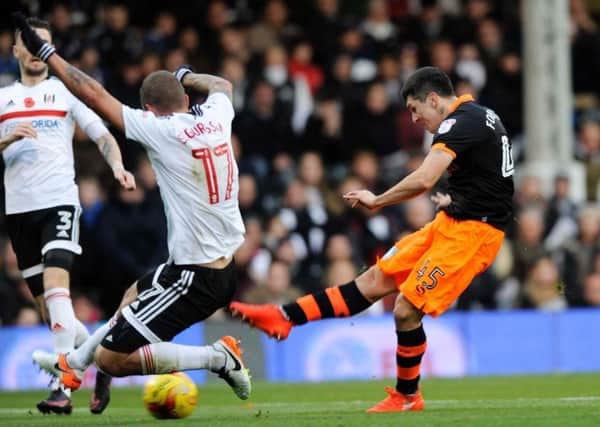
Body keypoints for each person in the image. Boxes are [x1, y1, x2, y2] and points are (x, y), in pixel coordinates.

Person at [230, 66, 514, 413]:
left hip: (473, 234)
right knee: (374, 279)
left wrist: (377, 200)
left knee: (405, 309)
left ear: (434, 99)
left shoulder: (457, 122)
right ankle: (284, 316)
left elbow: (424, 179)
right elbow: (491, 179)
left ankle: (408, 396)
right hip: (454, 221)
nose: (413, 118)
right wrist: (457, 201)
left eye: (414, 109)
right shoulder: (481, 116)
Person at [12, 13, 251, 404]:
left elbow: (93, 93)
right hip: (206, 262)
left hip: (198, 277)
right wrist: (186, 74)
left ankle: (216, 358)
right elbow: (222, 84)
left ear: (149, 110)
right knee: (129, 296)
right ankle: (75, 365)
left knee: (115, 357)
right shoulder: (215, 115)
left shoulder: (161, 130)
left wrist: (49, 55)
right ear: (187, 102)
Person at [1, 17, 136, 415]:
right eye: (30, 43)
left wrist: (116, 167)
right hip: (18, 212)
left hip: (59, 201)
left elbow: (102, 134)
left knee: (58, 284)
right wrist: (7, 137)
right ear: (16, 51)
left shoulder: (64, 91)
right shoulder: (3, 97)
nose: (37, 51)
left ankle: (64, 386)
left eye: (45, 44)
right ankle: (102, 356)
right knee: (51, 312)